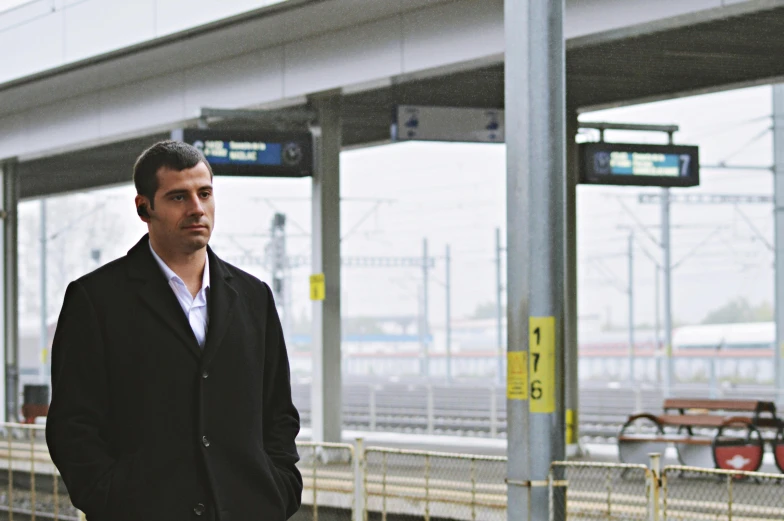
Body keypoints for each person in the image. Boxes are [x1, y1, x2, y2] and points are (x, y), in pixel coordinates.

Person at [45, 140, 302, 521]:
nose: (197, 208)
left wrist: (281, 488)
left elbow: (278, 411)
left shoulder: (253, 297)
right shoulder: (96, 299)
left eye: (205, 193)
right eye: (178, 197)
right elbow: (73, 423)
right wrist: (111, 498)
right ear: (144, 207)